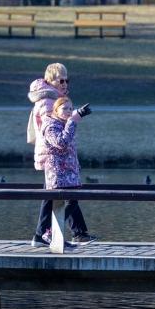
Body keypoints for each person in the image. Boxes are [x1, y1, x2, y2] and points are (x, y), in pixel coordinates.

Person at [37, 96, 96, 246]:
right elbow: (61, 143)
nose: (68, 111)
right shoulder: (51, 125)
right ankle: (49, 233)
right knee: (68, 201)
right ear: (55, 110)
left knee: (73, 201)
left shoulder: (63, 124)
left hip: (69, 173)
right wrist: (73, 121)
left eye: (71, 108)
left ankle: (52, 234)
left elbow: (70, 149)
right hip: (58, 173)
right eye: (64, 108)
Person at [29, 63, 68, 247]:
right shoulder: (48, 100)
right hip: (51, 153)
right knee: (61, 194)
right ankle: (48, 234)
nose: (65, 83)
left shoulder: (54, 98)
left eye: (67, 80)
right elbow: (50, 129)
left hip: (56, 154)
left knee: (51, 194)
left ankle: (42, 234)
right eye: (61, 80)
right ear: (50, 80)